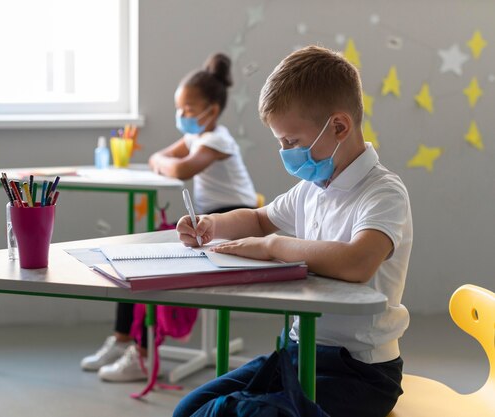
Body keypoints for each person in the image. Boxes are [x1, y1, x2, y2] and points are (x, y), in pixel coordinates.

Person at [173, 45, 413, 417]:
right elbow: (257, 219)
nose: (286, 152)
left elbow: (358, 262)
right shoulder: (313, 189)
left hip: (359, 372)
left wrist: (273, 246)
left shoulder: (382, 192)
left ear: (339, 126)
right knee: (191, 409)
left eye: (292, 142)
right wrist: (211, 225)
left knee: (229, 413)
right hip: (300, 352)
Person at [80, 52, 257, 382]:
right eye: (180, 110)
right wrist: (166, 163)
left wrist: (166, 163)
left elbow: (180, 168)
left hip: (230, 219)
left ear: (212, 111)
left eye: (188, 111)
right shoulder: (196, 136)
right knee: (135, 258)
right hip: (206, 217)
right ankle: (123, 339)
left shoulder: (217, 139)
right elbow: (158, 158)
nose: (181, 117)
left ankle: (143, 354)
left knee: (154, 266)